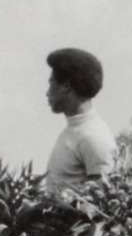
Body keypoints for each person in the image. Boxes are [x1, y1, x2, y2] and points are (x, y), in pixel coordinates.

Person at [41, 49, 116, 193]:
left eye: (51, 83)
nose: (47, 93)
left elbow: (102, 203)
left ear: (66, 86)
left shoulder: (93, 136)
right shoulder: (75, 130)